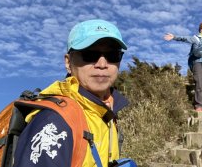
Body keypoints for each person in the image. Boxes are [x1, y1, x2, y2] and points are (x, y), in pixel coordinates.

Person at [13, 19, 129, 167]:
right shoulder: (55, 121)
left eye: (112, 56)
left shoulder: (107, 116)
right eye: (90, 54)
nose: (102, 64)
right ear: (68, 62)